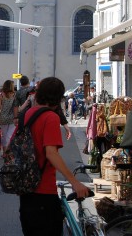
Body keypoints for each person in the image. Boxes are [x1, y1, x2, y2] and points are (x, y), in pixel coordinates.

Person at [18, 77, 90, 235]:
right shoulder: (51, 117)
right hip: (44, 191)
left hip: (26, 189)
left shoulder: (28, 114)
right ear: (58, 97)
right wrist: (74, 182)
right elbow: (51, 153)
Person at [0, 80, 16, 153]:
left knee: (4, 136)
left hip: (2, 118)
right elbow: (16, 107)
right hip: (12, 118)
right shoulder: (15, 95)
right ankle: (7, 152)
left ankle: (5, 152)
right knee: (9, 136)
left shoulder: (0, 95)